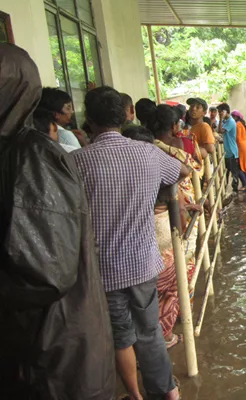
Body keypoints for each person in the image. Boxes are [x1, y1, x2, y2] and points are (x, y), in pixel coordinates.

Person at [0, 44, 115, 399]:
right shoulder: (18, 151)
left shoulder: (31, 155)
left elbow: (46, 272)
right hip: (44, 343)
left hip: (55, 348)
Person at [74, 86, 190, 400]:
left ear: (89, 119)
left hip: (103, 268)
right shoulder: (148, 152)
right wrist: (157, 191)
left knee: (121, 337)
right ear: (126, 116)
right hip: (142, 262)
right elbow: (183, 170)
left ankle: (136, 397)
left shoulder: (76, 162)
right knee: (150, 330)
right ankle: (166, 392)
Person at [145, 105, 203, 348]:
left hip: (154, 220)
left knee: (157, 277)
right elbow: (193, 169)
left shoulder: (147, 151)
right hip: (178, 210)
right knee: (182, 266)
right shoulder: (179, 148)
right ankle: (179, 316)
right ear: (175, 126)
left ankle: (159, 323)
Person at [217, 103, 240, 192]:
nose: (219, 114)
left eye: (220, 112)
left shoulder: (230, 121)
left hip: (231, 151)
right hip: (226, 151)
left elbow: (220, 131)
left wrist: (220, 119)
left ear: (225, 111)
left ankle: (235, 191)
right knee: (225, 173)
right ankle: (224, 192)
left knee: (234, 173)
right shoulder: (225, 121)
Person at [232, 110, 246, 191]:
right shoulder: (243, 124)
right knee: (245, 166)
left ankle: (245, 185)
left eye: (232, 116)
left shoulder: (237, 125)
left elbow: (237, 138)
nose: (232, 118)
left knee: (238, 166)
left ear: (236, 117)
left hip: (241, 147)